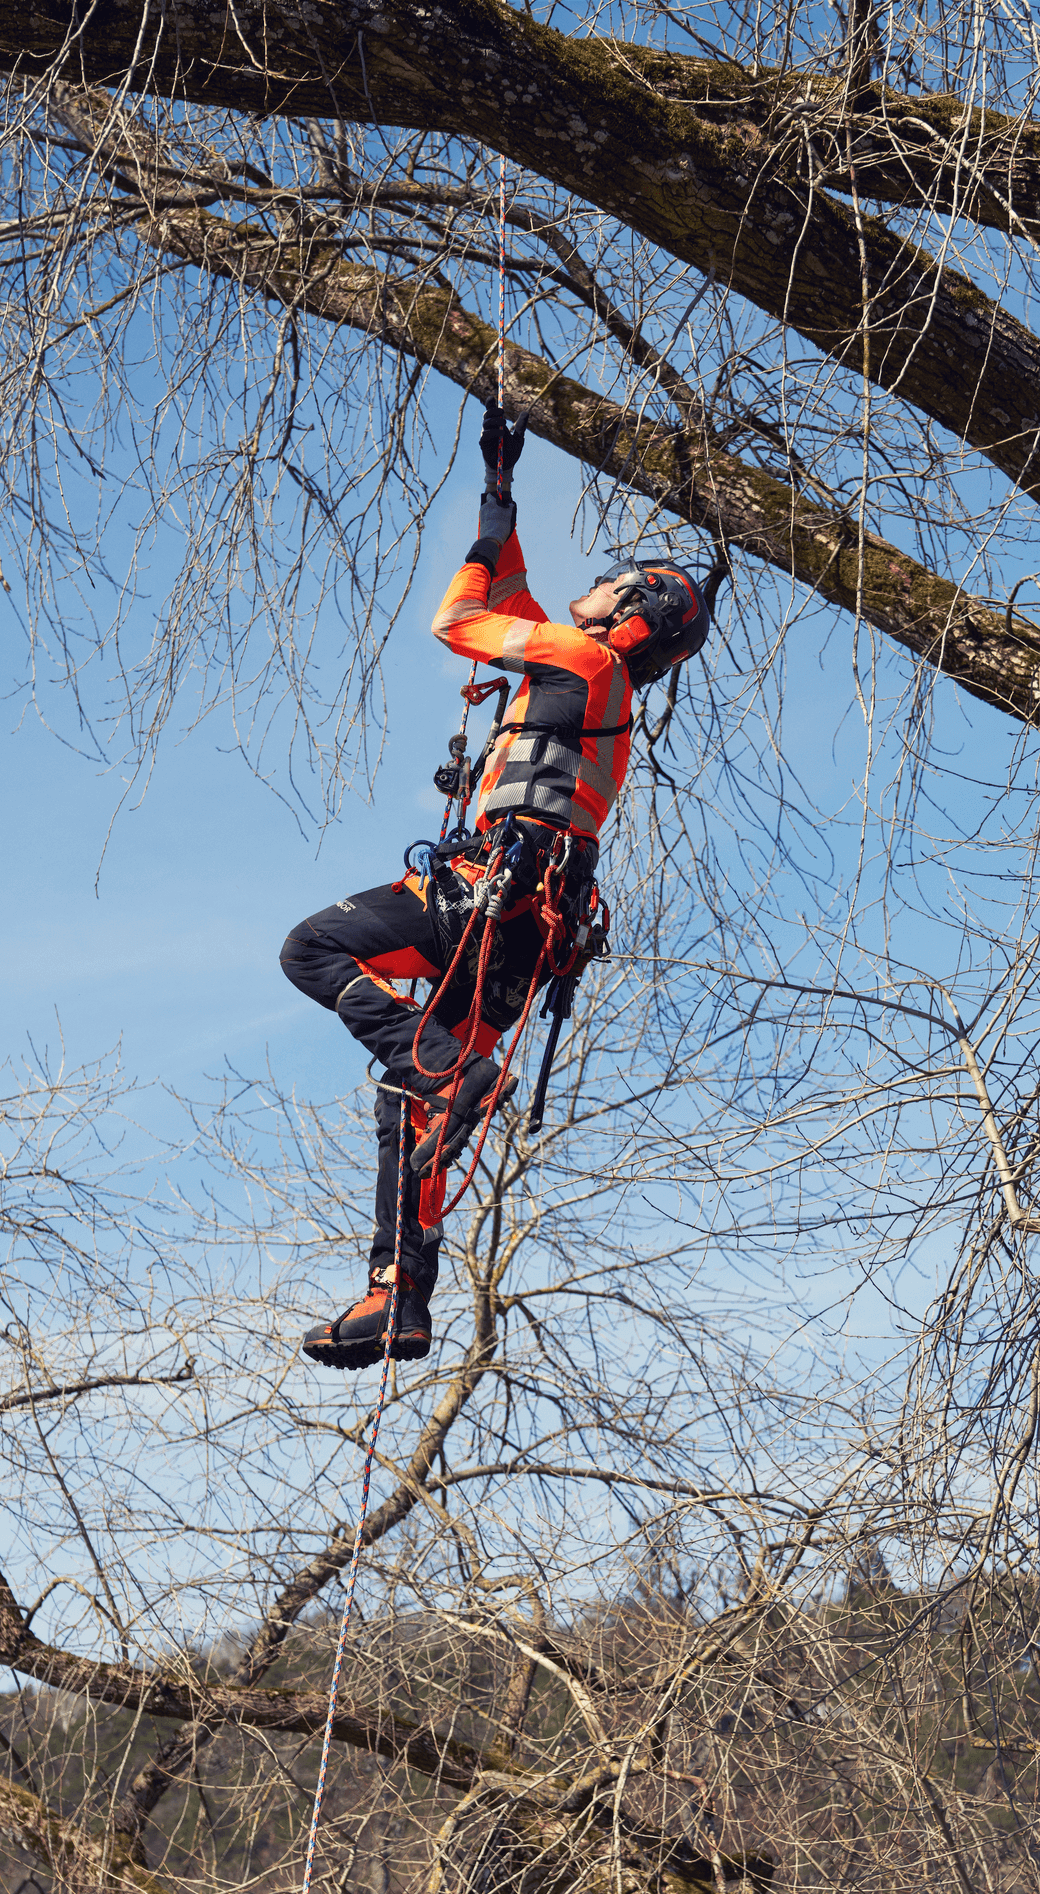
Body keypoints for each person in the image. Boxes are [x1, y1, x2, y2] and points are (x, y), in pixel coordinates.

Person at [278, 405, 715, 1370]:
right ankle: (401, 1298)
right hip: (527, 930)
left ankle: (447, 1067)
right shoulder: (595, 682)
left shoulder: (585, 659)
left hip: (489, 896)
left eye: (607, 583)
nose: (587, 587)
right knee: (410, 1100)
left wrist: (488, 544)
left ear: (631, 611)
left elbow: (462, 620)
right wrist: (498, 488)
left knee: (312, 947)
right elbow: (507, 584)